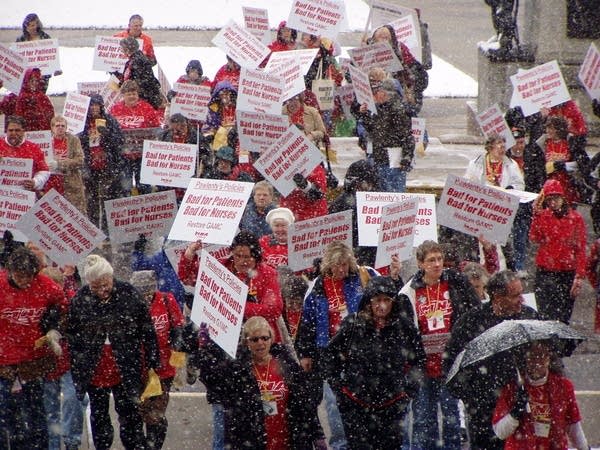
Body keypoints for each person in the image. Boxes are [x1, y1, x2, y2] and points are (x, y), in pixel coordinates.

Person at [66, 255, 160, 450]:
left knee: (130, 417)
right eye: (95, 287)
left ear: (111, 277)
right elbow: (73, 336)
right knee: (99, 417)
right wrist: (77, 366)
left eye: (105, 284)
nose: (101, 291)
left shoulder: (129, 294)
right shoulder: (81, 299)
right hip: (95, 365)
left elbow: (148, 331)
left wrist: (152, 363)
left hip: (125, 363)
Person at [321, 276, 425, 449]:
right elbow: (330, 356)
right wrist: (339, 389)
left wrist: (409, 391)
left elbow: (418, 360)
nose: (382, 305)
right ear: (368, 301)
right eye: (377, 300)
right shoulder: (353, 324)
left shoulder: (404, 326)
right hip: (356, 404)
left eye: (386, 300)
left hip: (393, 404)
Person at [194, 316, 325, 449]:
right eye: (254, 339)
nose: (260, 343)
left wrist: (317, 434)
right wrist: (206, 350)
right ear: (246, 342)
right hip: (252, 440)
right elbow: (213, 382)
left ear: (271, 338)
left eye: (264, 338)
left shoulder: (285, 363)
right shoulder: (237, 368)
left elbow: (305, 402)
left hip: (288, 439)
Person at [295, 241, 378, 450]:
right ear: (328, 265)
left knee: (363, 399)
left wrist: (394, 275)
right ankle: (340, 444)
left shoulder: (363, 276)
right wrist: (305, 353)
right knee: (333, 403)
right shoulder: (317, 286)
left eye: (344, 264)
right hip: (329, 352)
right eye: (337, 265)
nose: (341, 269)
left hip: (360, 348)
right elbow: (307, 322)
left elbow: (387, 295)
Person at [444, 270, 541, 450]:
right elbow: (450, 364)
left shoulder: (528, 317)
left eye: (521, 293)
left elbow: (545, 354)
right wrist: (471, 398)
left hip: (521, 404)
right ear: (497, 296)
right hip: (482, 408)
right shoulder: (471, 322)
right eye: (515, 295)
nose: (521, 300)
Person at [399, 240, 480, 450]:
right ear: (420, 264)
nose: (437, 264)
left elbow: (474, 312)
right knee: (424, 422)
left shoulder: (455, 282)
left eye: (439, 259)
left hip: (449, 364)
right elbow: (405, 331)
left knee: (451, 418)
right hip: (422, 367)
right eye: (431, 260)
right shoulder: (409, 291)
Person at [0, 247, 65, 449]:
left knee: (35, 415)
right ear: (10, 271)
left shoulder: (46, 287)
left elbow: (62, 308)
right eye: (20, 276)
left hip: (32, 362)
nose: (24, 281)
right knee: (5, 416)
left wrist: (54, 328)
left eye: (29, 276)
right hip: (3, 363)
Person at [492, 341, 590, 450]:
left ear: (549, 358)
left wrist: (585, 448)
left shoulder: (563, 387)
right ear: (525, 359)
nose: (537, 362)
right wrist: (516, 412)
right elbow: (500, 432)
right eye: (532, 356)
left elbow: (573, 426)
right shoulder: (513, 389)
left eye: (541, 355)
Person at [129, 270, 185, 450]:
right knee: (138, 413)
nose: (145, 295)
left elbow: (177, 327)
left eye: (148, 291)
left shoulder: (167, 300)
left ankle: (153, 445)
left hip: (163, 369)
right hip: (138, 369)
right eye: (140, 291)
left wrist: (178, 355)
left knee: (156, 415)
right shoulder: (130, 305)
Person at [529, 179, 587, 324]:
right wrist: (536, 215)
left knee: (562, 317)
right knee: (544, 315)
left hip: (566, 273)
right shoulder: (544, 216)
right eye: (549, 200)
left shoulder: (576, 219)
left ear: (562, 197)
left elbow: (580, 249)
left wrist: (579, 277)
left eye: (555, 198)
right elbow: (534, 237)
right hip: (545, 272)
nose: (552, 203)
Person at [351, 77, 415, 192]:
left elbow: (407, 136)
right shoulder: (381, 108)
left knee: (393, 193)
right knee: (385, 192)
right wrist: (364, 115)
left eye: (378, 92)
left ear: (385, 94)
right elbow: (373, 129)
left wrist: (406, 157)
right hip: (381, 157)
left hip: (393, 159)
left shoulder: (397, 110)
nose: (376, 95)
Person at [78, 94, 128, 231]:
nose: (94, 108)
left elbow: (120, 141)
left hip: (107, 166)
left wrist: (107, 134)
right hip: (90, 166)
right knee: (92, 202)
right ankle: (94, 233)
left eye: (97, 105)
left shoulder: (109, 120)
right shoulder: (83, 122)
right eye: (92, 105)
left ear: (101, 106)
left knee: (109, 201)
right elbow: (79, 143)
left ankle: (107, 233)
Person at [110, 79, 162, 194]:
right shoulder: (115, 109)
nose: (132, 96)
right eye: (129, 94)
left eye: (134, 93)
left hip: (142, 155)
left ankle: (145, 209)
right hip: (124, 155)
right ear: (123, 95)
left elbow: (157, 129)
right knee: (125, 186)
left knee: (144, 186)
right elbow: (110, 130)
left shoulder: (147, 108)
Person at [328, 158, 379, 266]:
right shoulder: (343, 204)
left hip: (365, 255)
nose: (369, 188)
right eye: (366, 184)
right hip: (348, 256)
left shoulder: (373, 201)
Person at [536, 115, 591, 206]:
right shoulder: (543, 143)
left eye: (551, 128)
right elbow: (537, 165)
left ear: (559, 129)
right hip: (548, 185)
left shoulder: (571, 143)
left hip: (567, 185)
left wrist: (564, 166)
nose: (548, 131)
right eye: (547, 128)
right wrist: (544, 169)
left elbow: (582, 163)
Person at [132, 234, 188, 310]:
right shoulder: (160, 259)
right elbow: (138, 264)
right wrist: (139, 249)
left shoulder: (191, 260)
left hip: (185, 307)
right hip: (167, 306)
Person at [0, 115, 50, 192]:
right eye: (10, 130)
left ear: (23, 131)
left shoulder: (33, 148)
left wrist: (35, 182)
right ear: (6, 131)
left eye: (17, 130)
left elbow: (44, 171)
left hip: (24, 196)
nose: (13, 133)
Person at [49, 115, 87, 215]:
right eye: (57, 126)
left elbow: (80, 160)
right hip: (53, 182)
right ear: (52, 128)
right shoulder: (47, 141)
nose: (60, 128)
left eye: (63, 126)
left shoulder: (73, 140)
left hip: (72, 182)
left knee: (76, 214)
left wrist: (60, 163)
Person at [16, 14, 61, 91]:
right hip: (26, 77)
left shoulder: (45, 37)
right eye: (30, 26)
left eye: (34, 25)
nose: (33, 28)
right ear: (26, 27)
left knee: (40, 98)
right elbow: (16, 58)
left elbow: (51, 56)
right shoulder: (21, 40)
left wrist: (55, 68)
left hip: (43, 76)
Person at [118, 36, 164, 110]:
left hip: (145, 97)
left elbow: (140, 80)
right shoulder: (134, 59)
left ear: (127, 49)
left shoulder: (137, 60)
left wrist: (128, 86)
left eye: (121, 48)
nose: (121, 50)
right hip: (143, 95)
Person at [203, 80, 237, 151]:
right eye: (222, 94)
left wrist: (235, 130)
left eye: (227, 93)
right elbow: (210, 124)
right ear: (218, 95)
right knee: (222, 131)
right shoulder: (215, 108)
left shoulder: (238, 107)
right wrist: (209, 135)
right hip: (220, 138)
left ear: (231, 94)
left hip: (236, 136)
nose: (225, 96)